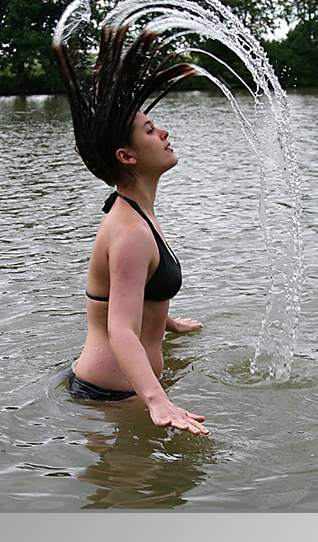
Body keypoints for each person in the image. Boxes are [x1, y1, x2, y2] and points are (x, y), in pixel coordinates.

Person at [53, 25, 209, 435]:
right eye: (150, 131)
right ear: (128, 156)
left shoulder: (135, 212)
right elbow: (120, 328)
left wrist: (167, 320)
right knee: (149, 497)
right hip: (110, 398)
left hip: (123, 389)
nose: (164, 133)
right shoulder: (131, 231)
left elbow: (129, 293)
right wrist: (159, 401)